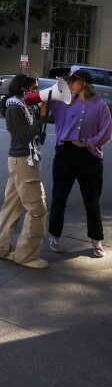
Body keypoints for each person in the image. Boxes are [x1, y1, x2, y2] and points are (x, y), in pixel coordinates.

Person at [47, 69, 112, 258]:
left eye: (72, 82)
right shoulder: (63, 102)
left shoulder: (100, 106)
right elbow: (45, 108)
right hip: (65, 153)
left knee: (92, 201)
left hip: (90, 157)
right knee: (59, 197)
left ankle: (96, 240)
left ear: (83, 83)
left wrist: (87, 142)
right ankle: (54, 236)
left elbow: (107, 132)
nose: (69, 85)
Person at [0, 74, 50, 269]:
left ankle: (1, 249)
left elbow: (34, 132)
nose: (36, 90)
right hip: (23, 161)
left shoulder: (23, 106)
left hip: (20, 160)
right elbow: (26, 135)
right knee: (38, 209)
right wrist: (42, 116)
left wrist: (42, 113)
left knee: (12, 208)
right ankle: (26, 256)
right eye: (34, 87)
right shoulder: (16, 107)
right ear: (24, 89)